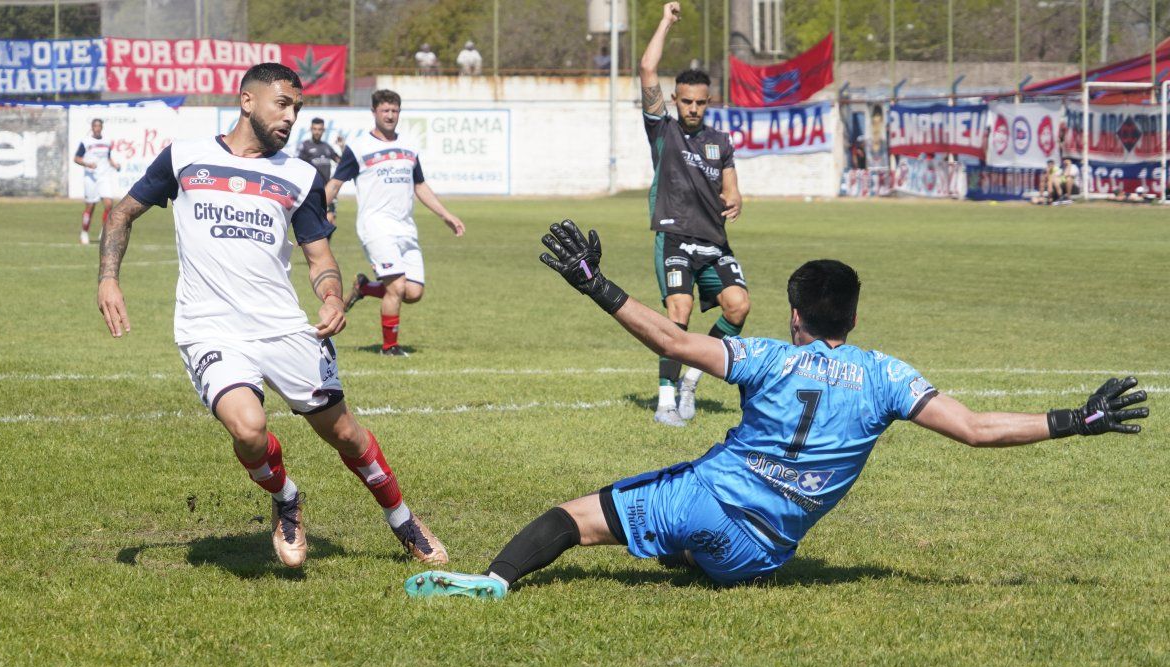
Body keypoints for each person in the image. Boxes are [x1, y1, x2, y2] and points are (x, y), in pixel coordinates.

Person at [403, 220, 1149, 600]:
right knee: (709, 546)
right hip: (763, 552)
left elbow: (668, 334)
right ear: (852, 318)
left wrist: (593, 282)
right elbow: (977, 430)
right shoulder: (888, 376)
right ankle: (702, 556)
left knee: (572, 518)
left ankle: (494, 580)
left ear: (796, 313)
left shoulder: (767, 354)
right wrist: (1076, 419)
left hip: (707, 499)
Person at [95, 63, 448, 569]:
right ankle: (286, 500)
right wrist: (108, 277)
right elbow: (122, 212)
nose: (291, 117)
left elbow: (320, 259)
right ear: (247, 100)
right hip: (208, 327)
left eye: (297, 109)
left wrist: (330, 297)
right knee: (248, 428)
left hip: (283, 327)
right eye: (282, 103)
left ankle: (403, 519)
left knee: (345, 433)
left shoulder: (302, 175)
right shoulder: (185, 157)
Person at [639, 1, 745, 427]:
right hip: (676, 238)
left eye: (700, 102)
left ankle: (690, 382)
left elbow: (732, 188)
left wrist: (736, 200)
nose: (693, 109)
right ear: (676, 100)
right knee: (678, 312)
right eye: (686, 101)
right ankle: (665, 402)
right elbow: (648, 68)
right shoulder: (662, 130)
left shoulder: (721, 142)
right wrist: (665, 21)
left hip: (713, 242)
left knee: (738, 307)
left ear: (708, 101)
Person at [326, 89, 466, 357]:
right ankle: (389, 348)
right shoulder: (359, 148)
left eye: (394, 111)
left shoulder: (410, 147)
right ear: (374, 113)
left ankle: (364, 287)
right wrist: (318, 212)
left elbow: (420, 185)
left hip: (405, 228)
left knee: (413, 292)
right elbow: (335, 183)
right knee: (397, 286)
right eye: (385, 111)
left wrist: (446, 215)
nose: (390, 116)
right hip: (375, 226)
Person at [74, 118, 121, 245]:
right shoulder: (86, 142)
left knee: (109, 204)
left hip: (104, 177)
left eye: (99, 126)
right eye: (95, 126)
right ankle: (84, 232)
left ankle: (104, 232)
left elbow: (108, 158)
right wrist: (87, 164)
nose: (97, 128)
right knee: (90, 206)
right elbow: (76, 158)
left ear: (102, 127)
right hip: (91, 177)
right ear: (92, 127)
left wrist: (115, 165)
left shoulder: (107, 141)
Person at [296, 117, 343, 222]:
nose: (317, 132)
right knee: (314, 222)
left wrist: (342, 147)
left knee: (330, 221)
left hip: (327, 190)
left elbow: (341, 163)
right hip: (312, 190)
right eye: (315, 129)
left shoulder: (327, 147)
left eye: (319, 129)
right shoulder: (305, 146)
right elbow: (297, 166)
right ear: (311, 129)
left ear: (323, 130)